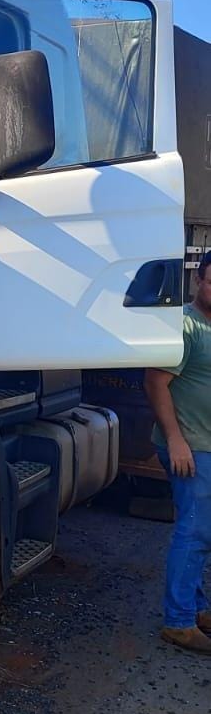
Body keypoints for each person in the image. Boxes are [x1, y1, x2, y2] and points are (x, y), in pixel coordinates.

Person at [145, 252, 211, 655]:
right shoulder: (185, 326)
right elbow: (155, 383)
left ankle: (197, 608)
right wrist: (175, 440)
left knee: (203, 530)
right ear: (199, 282)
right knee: (194, 529)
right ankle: (179, 622)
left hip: (205, 445)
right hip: (189, 447)